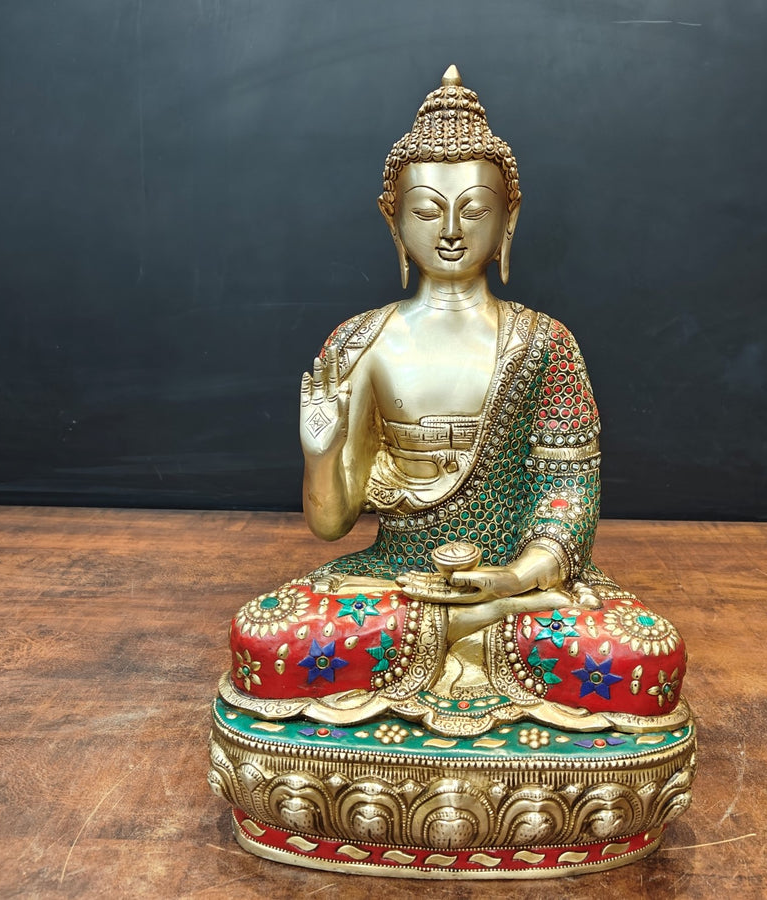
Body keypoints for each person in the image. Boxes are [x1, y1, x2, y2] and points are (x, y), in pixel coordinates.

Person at [221, 67, 688, 737]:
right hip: (396, 577)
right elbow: (330, 525)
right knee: (263, 637)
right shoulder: (357, 344)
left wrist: (513, 580)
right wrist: (320, 455)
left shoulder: (544, 344)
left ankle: (472, 623)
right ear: (393, 219)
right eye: (425, 210)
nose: (449, 230)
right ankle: (462, 629)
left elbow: (567, 494)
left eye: (472, 210)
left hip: (523, 584)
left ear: (508, 218)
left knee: (647, 654)